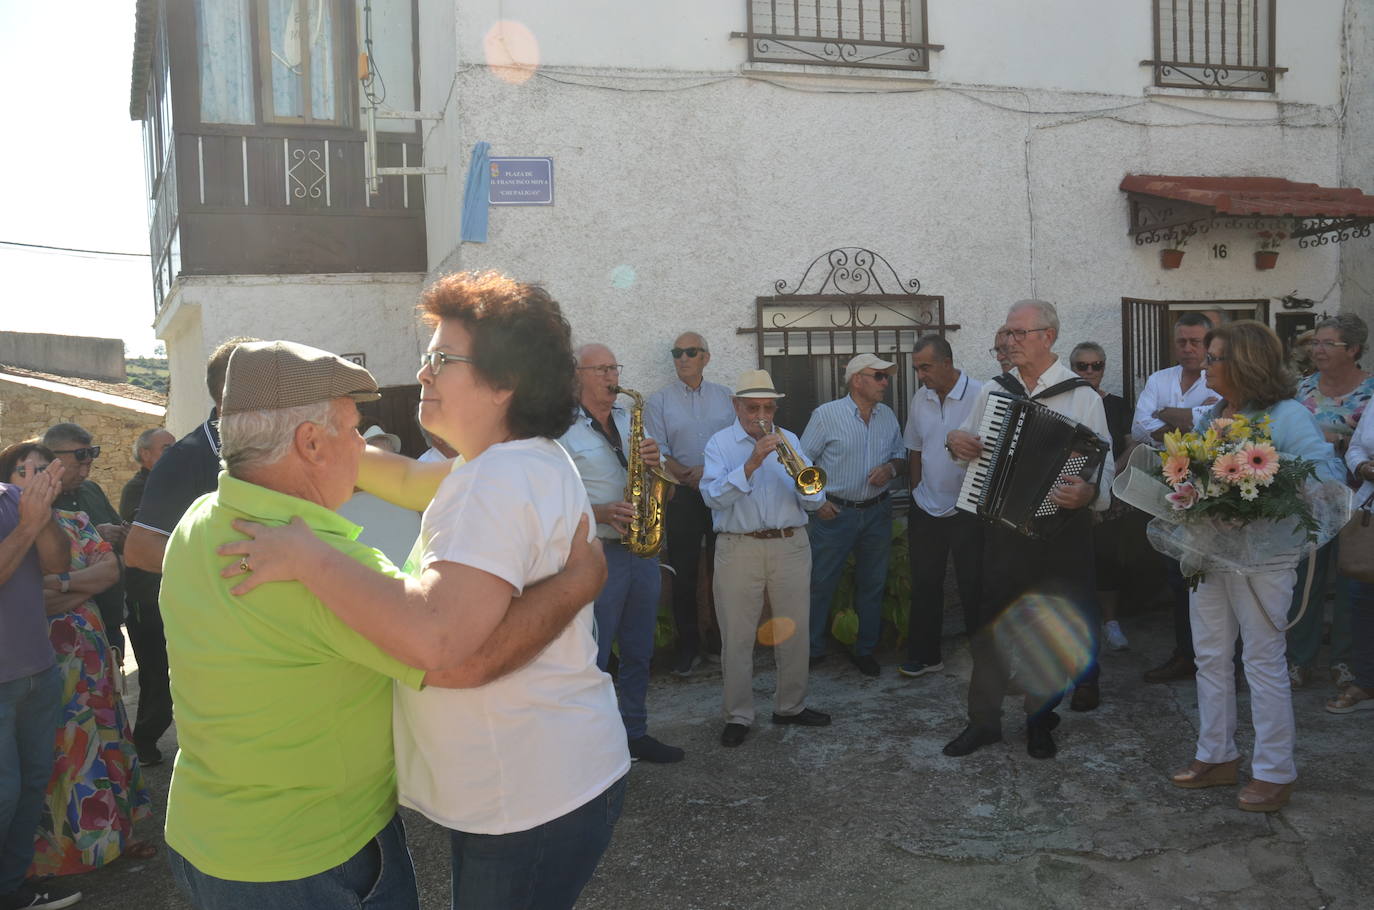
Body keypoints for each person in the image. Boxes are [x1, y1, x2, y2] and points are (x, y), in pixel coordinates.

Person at [218, 274, 630, 908]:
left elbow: (440, 642)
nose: (423, 373)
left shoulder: (494, 481)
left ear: (504, 383)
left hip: (523, 793)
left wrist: (310, 557)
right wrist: (321, 445)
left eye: (442, 359)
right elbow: (409, 478)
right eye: (426, 356)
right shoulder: (516, 458)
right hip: (544, 775)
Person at [1168, 320, 1342, 813]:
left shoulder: (1287, 415)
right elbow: (1195, 473)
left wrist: (1263, 481)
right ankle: (1216, 755)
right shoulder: (1210, 418)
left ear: (1245, 363)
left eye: (1215, 356)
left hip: (1266, 560)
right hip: (1211, 553)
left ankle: (1274, 771)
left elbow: (1326, 479)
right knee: (1209, 655)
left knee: (1262, 662)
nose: (1205, 364)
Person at [944, 299, 1114, 760]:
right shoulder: (994, 391)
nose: (1010, 342)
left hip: (1060, 536)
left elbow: (1104, 472)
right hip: (1001, 529)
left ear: (1048, 337)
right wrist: (953, 442)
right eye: (1007, 333)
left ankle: (1042, 721)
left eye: (1019, 333)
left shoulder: (1082, 396)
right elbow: (965, 449)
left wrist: (1087, 494)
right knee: (991, 626)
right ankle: (983, 723)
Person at [3, 445, 153, 878]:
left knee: (99, 744)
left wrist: (62, 584)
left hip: (83, 657)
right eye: (22, 469)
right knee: (50, 762)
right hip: (38, 653)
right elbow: (35, 596)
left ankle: (108, 841)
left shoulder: (74, 521)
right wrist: (77, 586)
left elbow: (108, 572)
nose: (33, 476)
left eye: (41, 468)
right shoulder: (12, 522)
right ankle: (49, 860)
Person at [123, 337, 253, 767]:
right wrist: (242, 563)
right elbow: (140, 550)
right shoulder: (186, 457)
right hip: (219, 641)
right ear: (238, 391)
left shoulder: (266, 446)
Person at [559, 342, 684, 764]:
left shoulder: (632, 419)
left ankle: (634, 732)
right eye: (602, 370)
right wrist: (597, 512)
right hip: (597, 553)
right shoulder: (559, 430)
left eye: (615, 367)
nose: (613, 377)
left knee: (638, 649)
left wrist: (656, 465)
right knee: (592, 653)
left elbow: (664, 483)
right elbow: (550, 498)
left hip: (641, 551)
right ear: (578, 375)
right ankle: (589, 744)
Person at [701, 369, 831, 747]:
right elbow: (712, 497)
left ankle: (790, 706)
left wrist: (807, 488)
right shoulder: (719, 444)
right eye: (752, 407)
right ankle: (738, 715)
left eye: (767, 407)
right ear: (736, 406)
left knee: (794, 631)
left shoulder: (789, 440)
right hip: (738, 546)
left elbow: (814, 499)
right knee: (737, 636)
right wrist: (752, 462)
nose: (760, 415)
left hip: (790, 543)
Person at [0, 445, 79, 910]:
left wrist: (41, 513)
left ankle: (10, 890)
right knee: (4, 794)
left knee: (31, 786)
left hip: (37, 673)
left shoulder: (14, 498)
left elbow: (57, 565)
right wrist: (29, 523)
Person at [800, 354, 906, 676]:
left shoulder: (887, 416)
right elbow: (802, 463)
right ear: (857, 379)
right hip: (835, 513)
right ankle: (812, 650)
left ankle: (865, 650)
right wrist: (817, 503)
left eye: (887, 377)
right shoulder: (826, 416)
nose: (885, 382)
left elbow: (900, 456)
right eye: (879, 376)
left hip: (877, 511)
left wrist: (889, 469)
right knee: (820, 583)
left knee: (872, 584)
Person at [1132, 313, 1220, 685]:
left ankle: (1218, 660)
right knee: (1176, 571)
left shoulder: (1218, 378)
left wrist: (1166, 419)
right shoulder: (1159, 378)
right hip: (1166, 486)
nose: (1187, 348)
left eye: (1195, 342)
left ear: (1208, 344)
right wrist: (1186, 420)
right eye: (1181, 341)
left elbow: (1216, 424)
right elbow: (1139, 427)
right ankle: (1186, 654)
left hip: (1213, 489)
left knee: (1211, 574)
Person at [1287, 313, 1374, 690]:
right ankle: (1298, 660)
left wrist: (1339, 445)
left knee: (1351, 581)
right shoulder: (1301, 390)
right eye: (1315, 343)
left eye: (1327, 343)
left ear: (1353, 349)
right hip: (1309, 499)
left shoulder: (1371, 392)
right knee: (1304, 580)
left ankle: (1345, 663)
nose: (1317, 350)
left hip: (1358, 503)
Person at [645, 332, 734, 676]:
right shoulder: (660, 401)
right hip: (679, 495)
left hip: (720, 493)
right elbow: (656, 450)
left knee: (721, 569)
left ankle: (719, 641)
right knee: (682, 572)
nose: (682, 358)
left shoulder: (726, 397)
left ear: (705, 358)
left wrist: (709, 472)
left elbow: (733, 443)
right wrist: (685, 474)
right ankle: (688, 645)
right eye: (677, 352)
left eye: (690, 352)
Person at [899, 335, 983, 679]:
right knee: (925, 583)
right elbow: (914, 447)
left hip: (969, 509)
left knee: (974, 584)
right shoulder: (922, 397)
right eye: (917, 368)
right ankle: (926, 655)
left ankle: (985, 657)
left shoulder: (981, 394)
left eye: (925, 367)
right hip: (926, 507)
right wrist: (917, 488)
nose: (920, 375)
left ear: (947, 362)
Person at [40, 425, 126, 657]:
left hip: (108, 624)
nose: (84, 473)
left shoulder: (91, 490)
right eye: (78, 465)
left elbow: (121, 556)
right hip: (57, 637)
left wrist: (118, 535)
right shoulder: (36, 501)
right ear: (51, 459)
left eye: (88, 465)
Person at [1069, 342, 1132, 658]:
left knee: (1108, 561)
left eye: (1096, 365)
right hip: (1070, 495)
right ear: (1073, 368)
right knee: (1072, 565)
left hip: (1111, 494)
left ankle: (1111, 623)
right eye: (1083, 366)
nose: (1090, 372)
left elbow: (1130, 445)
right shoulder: (1067, 404)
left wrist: (1105, 478)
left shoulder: (1118, 406)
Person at [118, 428, 175, 767]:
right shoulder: (138, 489)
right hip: (145, 598)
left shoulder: (165, 485)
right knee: (154, 673)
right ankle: (144, 740)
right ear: (145, 455)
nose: (172, 452)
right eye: (166, 448)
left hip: (168, 592)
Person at [1329, 404, 1374, 714]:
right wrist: (1362, 467)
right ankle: (1367, 682)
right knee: (1362, 600)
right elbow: (1356, 445)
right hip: (1369, 517)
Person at [336, 426, 422, 568]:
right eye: (379, 457)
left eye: (389, 457)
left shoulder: (408, 498)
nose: (385, 464)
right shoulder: (342, 497)